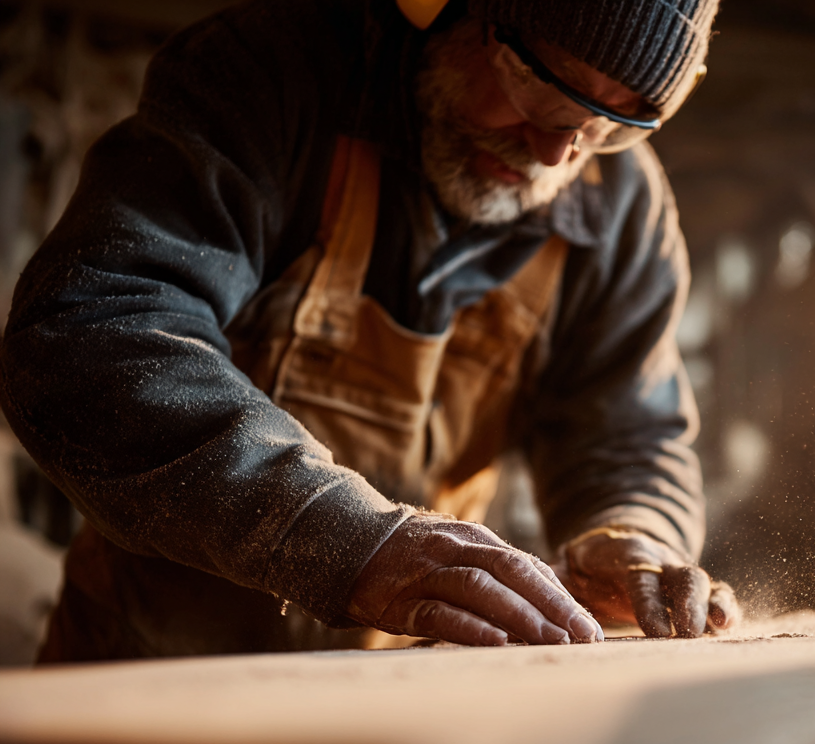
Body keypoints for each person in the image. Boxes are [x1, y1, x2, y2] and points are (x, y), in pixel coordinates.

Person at [0, 0, 740, 660]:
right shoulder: (270, 78)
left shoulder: (619, 208)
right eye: (543, 89)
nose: (557, 155)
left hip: (399, 699)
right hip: (149, 685)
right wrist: (337, 535)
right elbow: (90, 330)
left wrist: (630, 530)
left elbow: (627, 435)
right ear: (443, 9)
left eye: (610, 123)